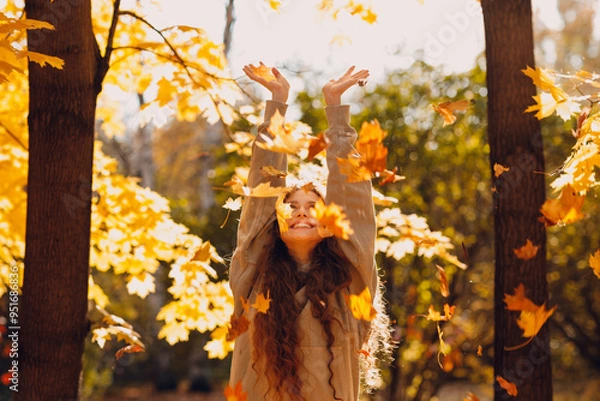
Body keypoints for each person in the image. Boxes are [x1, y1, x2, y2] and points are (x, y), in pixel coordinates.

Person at [228, 63, 391, 401]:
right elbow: (262, 191)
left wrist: (336, 112)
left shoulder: (351, 285)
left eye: (312, 205)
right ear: (276, 220)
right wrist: (277, 103)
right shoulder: (251, 277)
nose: (301, 210)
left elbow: (354, 200)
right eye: (292, 205)